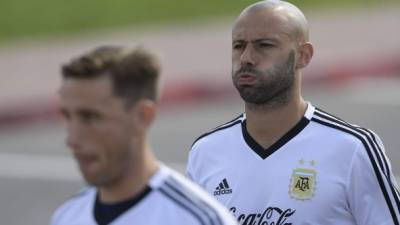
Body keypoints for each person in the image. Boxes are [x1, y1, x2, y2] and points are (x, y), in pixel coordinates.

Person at [186, 1, 400, 224]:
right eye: (238, 46)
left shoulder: (353, 149)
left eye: (264, 45)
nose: (246, 58)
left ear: (303, 55)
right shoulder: (205, 152)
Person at [51, 45, 238, 225]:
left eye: (91, 117)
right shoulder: (66, 216)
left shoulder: (201, 220)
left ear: (142, 116)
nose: (72, 139)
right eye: (67, 116)